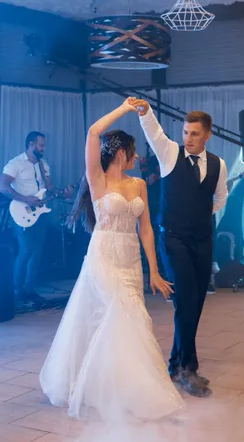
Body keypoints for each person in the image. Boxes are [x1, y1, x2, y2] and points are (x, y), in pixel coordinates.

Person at [39, 99, 184, 423]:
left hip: (130, 259)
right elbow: (93, 133)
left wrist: (154, 271)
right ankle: (131, 391)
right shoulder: (98, 179)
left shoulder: (139, 184)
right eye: (134, 153)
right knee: (123, 314)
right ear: (123, 154)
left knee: (132, 319)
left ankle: (119, 385)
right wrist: (124, 108)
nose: (138, 158)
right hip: (103, 256)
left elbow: (145, 228)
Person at [130, 97, 228, 397]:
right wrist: (146, 112)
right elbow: (155, 133)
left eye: (195, 133)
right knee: (185, 298)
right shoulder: (170, 153)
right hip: (173, 237)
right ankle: (188, 367)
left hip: (202, 238)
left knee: (195, 302)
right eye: (186, 132)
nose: (189, 138)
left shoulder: (218, 164)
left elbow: (220, 199)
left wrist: (198, 216)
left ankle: (174, 363)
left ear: (207, 135)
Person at [0, 131, 72, 306]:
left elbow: (50, 187)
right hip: (21, 211)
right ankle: (16, 292)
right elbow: (3, 186)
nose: (44, 148)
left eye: (44, 145)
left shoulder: (43, 165)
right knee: (25, 251)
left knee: (37, 252)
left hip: (40, 213)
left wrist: (63, 194)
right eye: (41, 145)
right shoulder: (15, 164)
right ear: (31, 145)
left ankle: (29, 289)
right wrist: (25, 199)